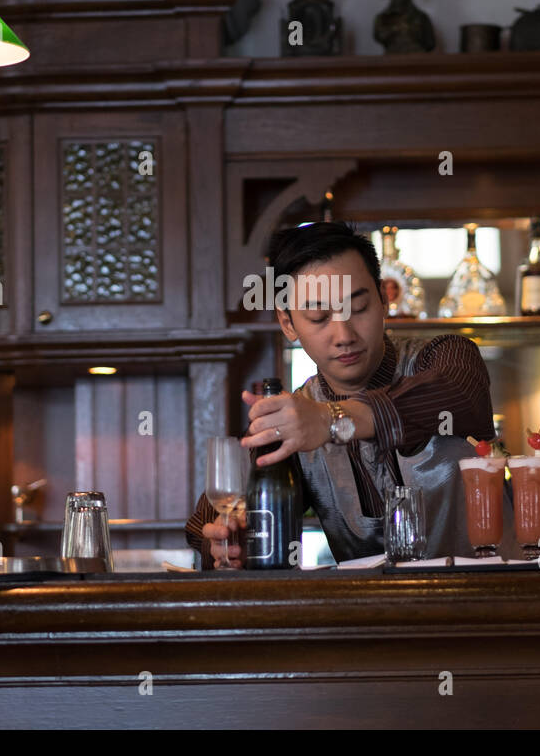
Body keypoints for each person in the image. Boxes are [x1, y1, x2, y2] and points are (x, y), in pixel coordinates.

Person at [185, 222, 510, 568]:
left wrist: (331, 420)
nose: (343, 334)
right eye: (319, 317)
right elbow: (205, 521)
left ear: (384, 298)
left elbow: (459, 392)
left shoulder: (446, 357)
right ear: (288, 324)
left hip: (490, 608)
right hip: (369, 617)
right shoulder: (297, 418)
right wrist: (224, 544)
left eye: (358, 308)